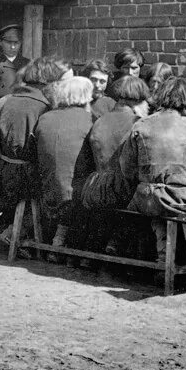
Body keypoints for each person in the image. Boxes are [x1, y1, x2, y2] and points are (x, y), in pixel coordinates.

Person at [0, 57, 71, 240]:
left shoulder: (5, 101)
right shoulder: (46, 107)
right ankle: (19, 232)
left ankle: (15, 229)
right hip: (26, 177)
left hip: (2, 172)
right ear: (49, 82)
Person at [123, 77, 186, 275]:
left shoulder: (141, 124)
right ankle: (173, 265)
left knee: (154, 212)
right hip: (182, 199)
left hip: (146, 198)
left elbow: (127, 167)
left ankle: (161, 262)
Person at [73, 75, 150, 253]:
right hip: (121, 189)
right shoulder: (137, 123)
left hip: (94, 187)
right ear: (138, 100)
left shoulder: (100, 121)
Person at [29, 75, 96, 251]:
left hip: (45, 189)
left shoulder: (45, 118)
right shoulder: (90, 120)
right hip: (74, 193)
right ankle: (64, 239)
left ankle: (57, 236)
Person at [0, 24, 28, 128]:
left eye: (16, 43)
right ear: (0, 42)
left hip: (20, 114)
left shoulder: (27, 64)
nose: (12, 47)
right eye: (9, 43)